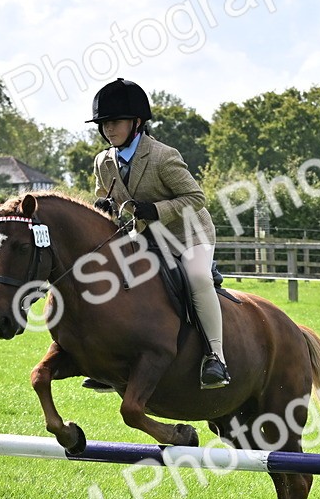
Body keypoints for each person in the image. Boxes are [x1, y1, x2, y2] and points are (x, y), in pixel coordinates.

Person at [83, 78, 230, 390]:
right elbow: (105, 194)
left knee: (198, 279)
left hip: (188, 234)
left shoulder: (163, 156)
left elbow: (196, 198)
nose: (109, 130)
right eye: (104, 124)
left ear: (136, 122)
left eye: (115, 122)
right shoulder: (103, 161)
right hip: (147, 237)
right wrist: (103, 208)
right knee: (110, 280)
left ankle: (215, 357)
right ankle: (112, 362)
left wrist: (156, 209)